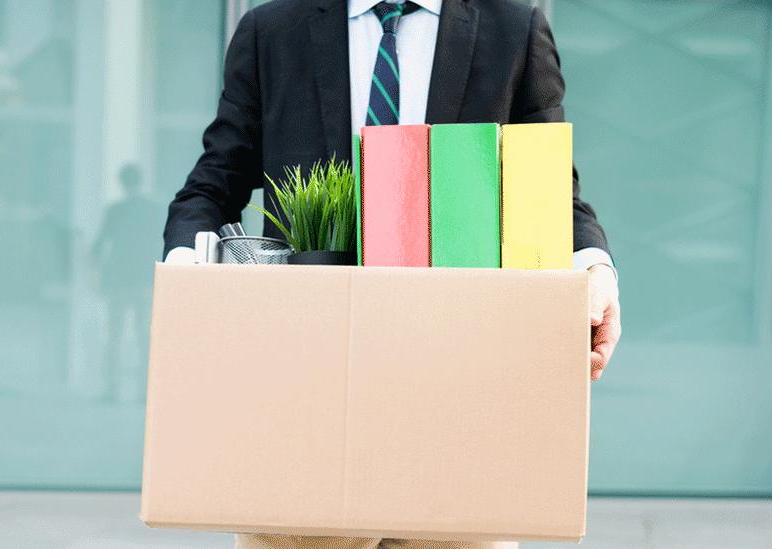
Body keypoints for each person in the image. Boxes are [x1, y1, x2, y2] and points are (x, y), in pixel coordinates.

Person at [162, 1, 621, 547]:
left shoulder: (512, 29)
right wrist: (186, 276)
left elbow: (548, 192)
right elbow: (214, 183)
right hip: (305, 417)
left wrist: (595, 269)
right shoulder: (272, 29)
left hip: (457, 412)